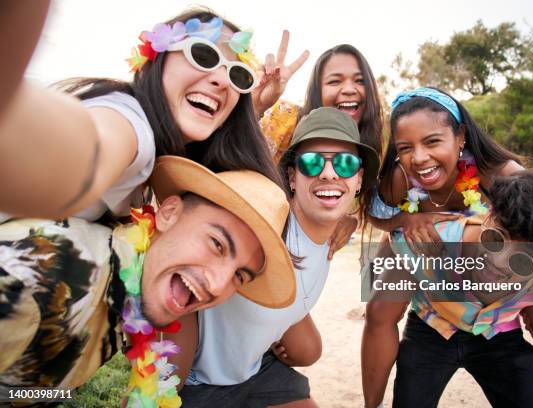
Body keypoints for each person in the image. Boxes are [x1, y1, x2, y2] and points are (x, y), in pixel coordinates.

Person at [362, 87, 533, 407]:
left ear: (460, 136)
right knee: (379, 307)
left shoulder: (501, 172)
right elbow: (376, 215)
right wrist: (404, 223)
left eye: (433, 141)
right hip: (428, 246)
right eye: (405, 147)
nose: (418, 157)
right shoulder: (400, 178)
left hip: (504, 253)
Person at [0, 155, 295, 407]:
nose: (218, 285)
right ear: (169, 213)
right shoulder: (41, 279)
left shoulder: (125, 288)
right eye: (217, 244)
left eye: (239, 276)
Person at [0, 5, 307, 223]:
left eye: (238, 75)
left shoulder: (163, 149)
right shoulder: (130, 125)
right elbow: (86, 154)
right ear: (156, 62)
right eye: (203, 55)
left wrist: (253, 107)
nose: (221, 79)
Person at [170, 107, 380, 407]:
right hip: (200, 382)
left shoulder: (332, 236)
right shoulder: (265, 223)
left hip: (256, 372)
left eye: (345, 164)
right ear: (292, 178)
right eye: (312, 162)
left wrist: (351, 220)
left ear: (358, 180)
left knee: (309, 350)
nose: (329, 173)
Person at [261, 44, 385, 258]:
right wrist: (256, 104)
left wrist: (343, 216)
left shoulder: (369, 144)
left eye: (359, 80)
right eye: (334, 81)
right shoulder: (283, 118)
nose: (348, 89)